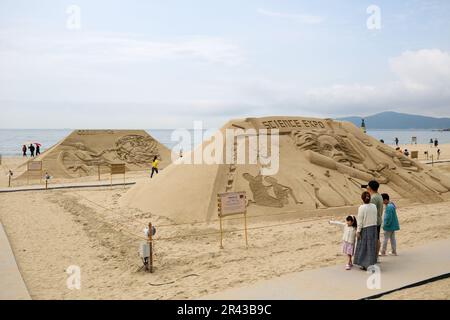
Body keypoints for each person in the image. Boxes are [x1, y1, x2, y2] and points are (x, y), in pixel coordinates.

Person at [353, 191, 378, 270]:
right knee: (372, 246)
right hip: (374, 228)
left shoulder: (361, 208)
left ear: (362, 199)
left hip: (366, 228)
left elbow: (360, 221)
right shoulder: (374, 206)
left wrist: (358, 231)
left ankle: (365, 265)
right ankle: (371, 263)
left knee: (364, 246)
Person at [367, 180, 383, 258]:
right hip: (378, 220)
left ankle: (374, 256)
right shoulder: (379, 196)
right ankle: (376, 256)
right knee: (377, 238)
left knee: (373, 239)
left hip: (374, 221)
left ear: (370, 187)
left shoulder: (373, 198)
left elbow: (370, 211)